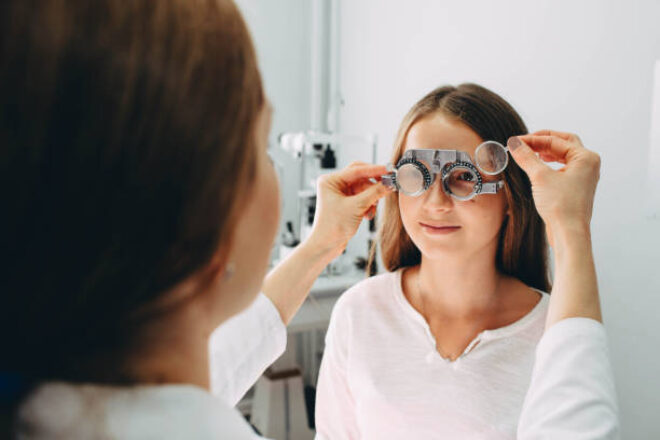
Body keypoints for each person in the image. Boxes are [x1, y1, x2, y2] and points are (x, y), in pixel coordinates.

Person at [0, 0, 618, 438]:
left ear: (508, 189)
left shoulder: (548, 335)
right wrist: (573, 228)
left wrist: (322, 243)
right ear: (207, 212)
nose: (436, 200)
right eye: (265, 148)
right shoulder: (361, 312)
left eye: (463, 177)